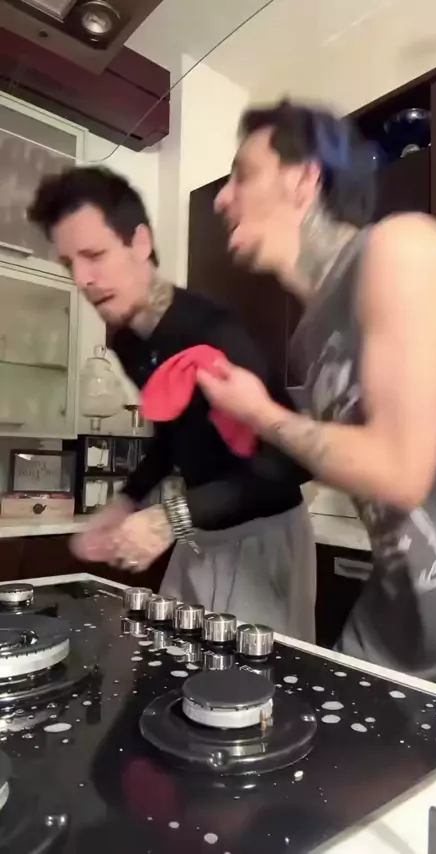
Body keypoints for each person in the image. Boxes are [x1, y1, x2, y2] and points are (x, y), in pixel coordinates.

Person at [196, 99, 436, 693]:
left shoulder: (402, 247)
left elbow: (399, 470)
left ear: (303, 179)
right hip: (392, 636)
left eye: (242, 175)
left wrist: (261, 413)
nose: (222, 199)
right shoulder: (308, 336)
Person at [28, 165, 316, 642]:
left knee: (248, 681)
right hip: (199, 530)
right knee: (175, 663)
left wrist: (169, 518)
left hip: (263, 537)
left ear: (140, 243)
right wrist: (126, 501)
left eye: (94, 255)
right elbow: (172, 436)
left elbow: (291, 464)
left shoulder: (212, 331)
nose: (82, 279)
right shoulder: (128, 342)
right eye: (68, 264)